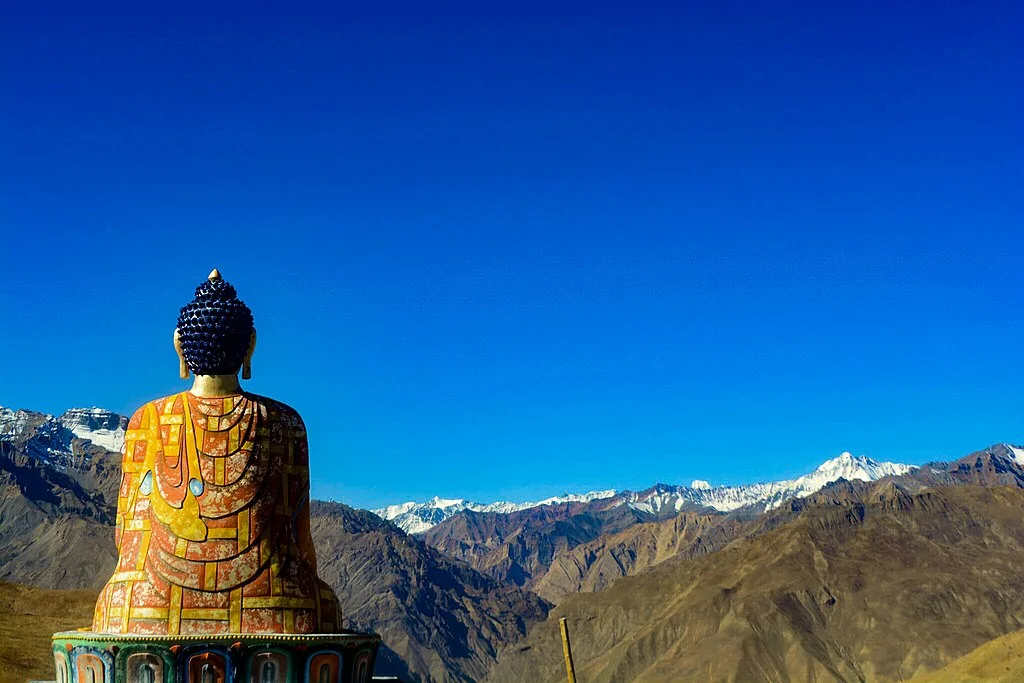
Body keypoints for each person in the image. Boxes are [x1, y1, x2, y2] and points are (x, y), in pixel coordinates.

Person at [92, 270, 340, 635]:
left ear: (179, 345)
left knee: (118, 603)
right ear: (250, 345)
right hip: (275, 605)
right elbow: (300, 539)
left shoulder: (147, 420)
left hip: (148, 606)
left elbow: (125, 535)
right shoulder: (286, 423)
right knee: (322, 606)